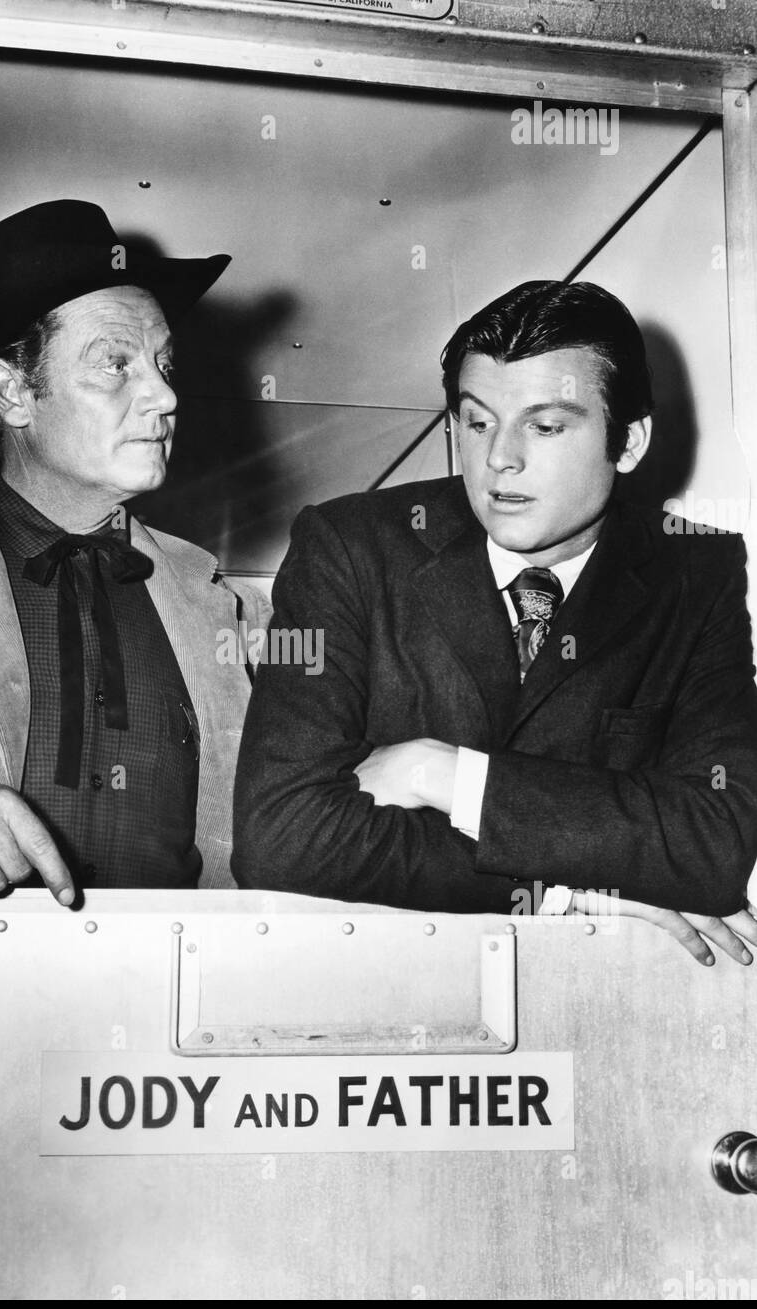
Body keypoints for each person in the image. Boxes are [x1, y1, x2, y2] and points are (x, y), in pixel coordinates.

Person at [232, 280, 757, 966]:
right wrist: (562, 892)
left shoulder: (695, 569)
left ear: (628, 442)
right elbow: (280, 838)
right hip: (370, 984)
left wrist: (437, 772)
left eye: (545, 426)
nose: (500, 458)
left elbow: (712, 843)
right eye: (477, 422)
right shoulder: (352, 547)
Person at [0, 199, 267, 902]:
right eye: (116, 365)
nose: (165, 394)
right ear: (11, 393)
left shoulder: (228, 607)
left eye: (163, 363)